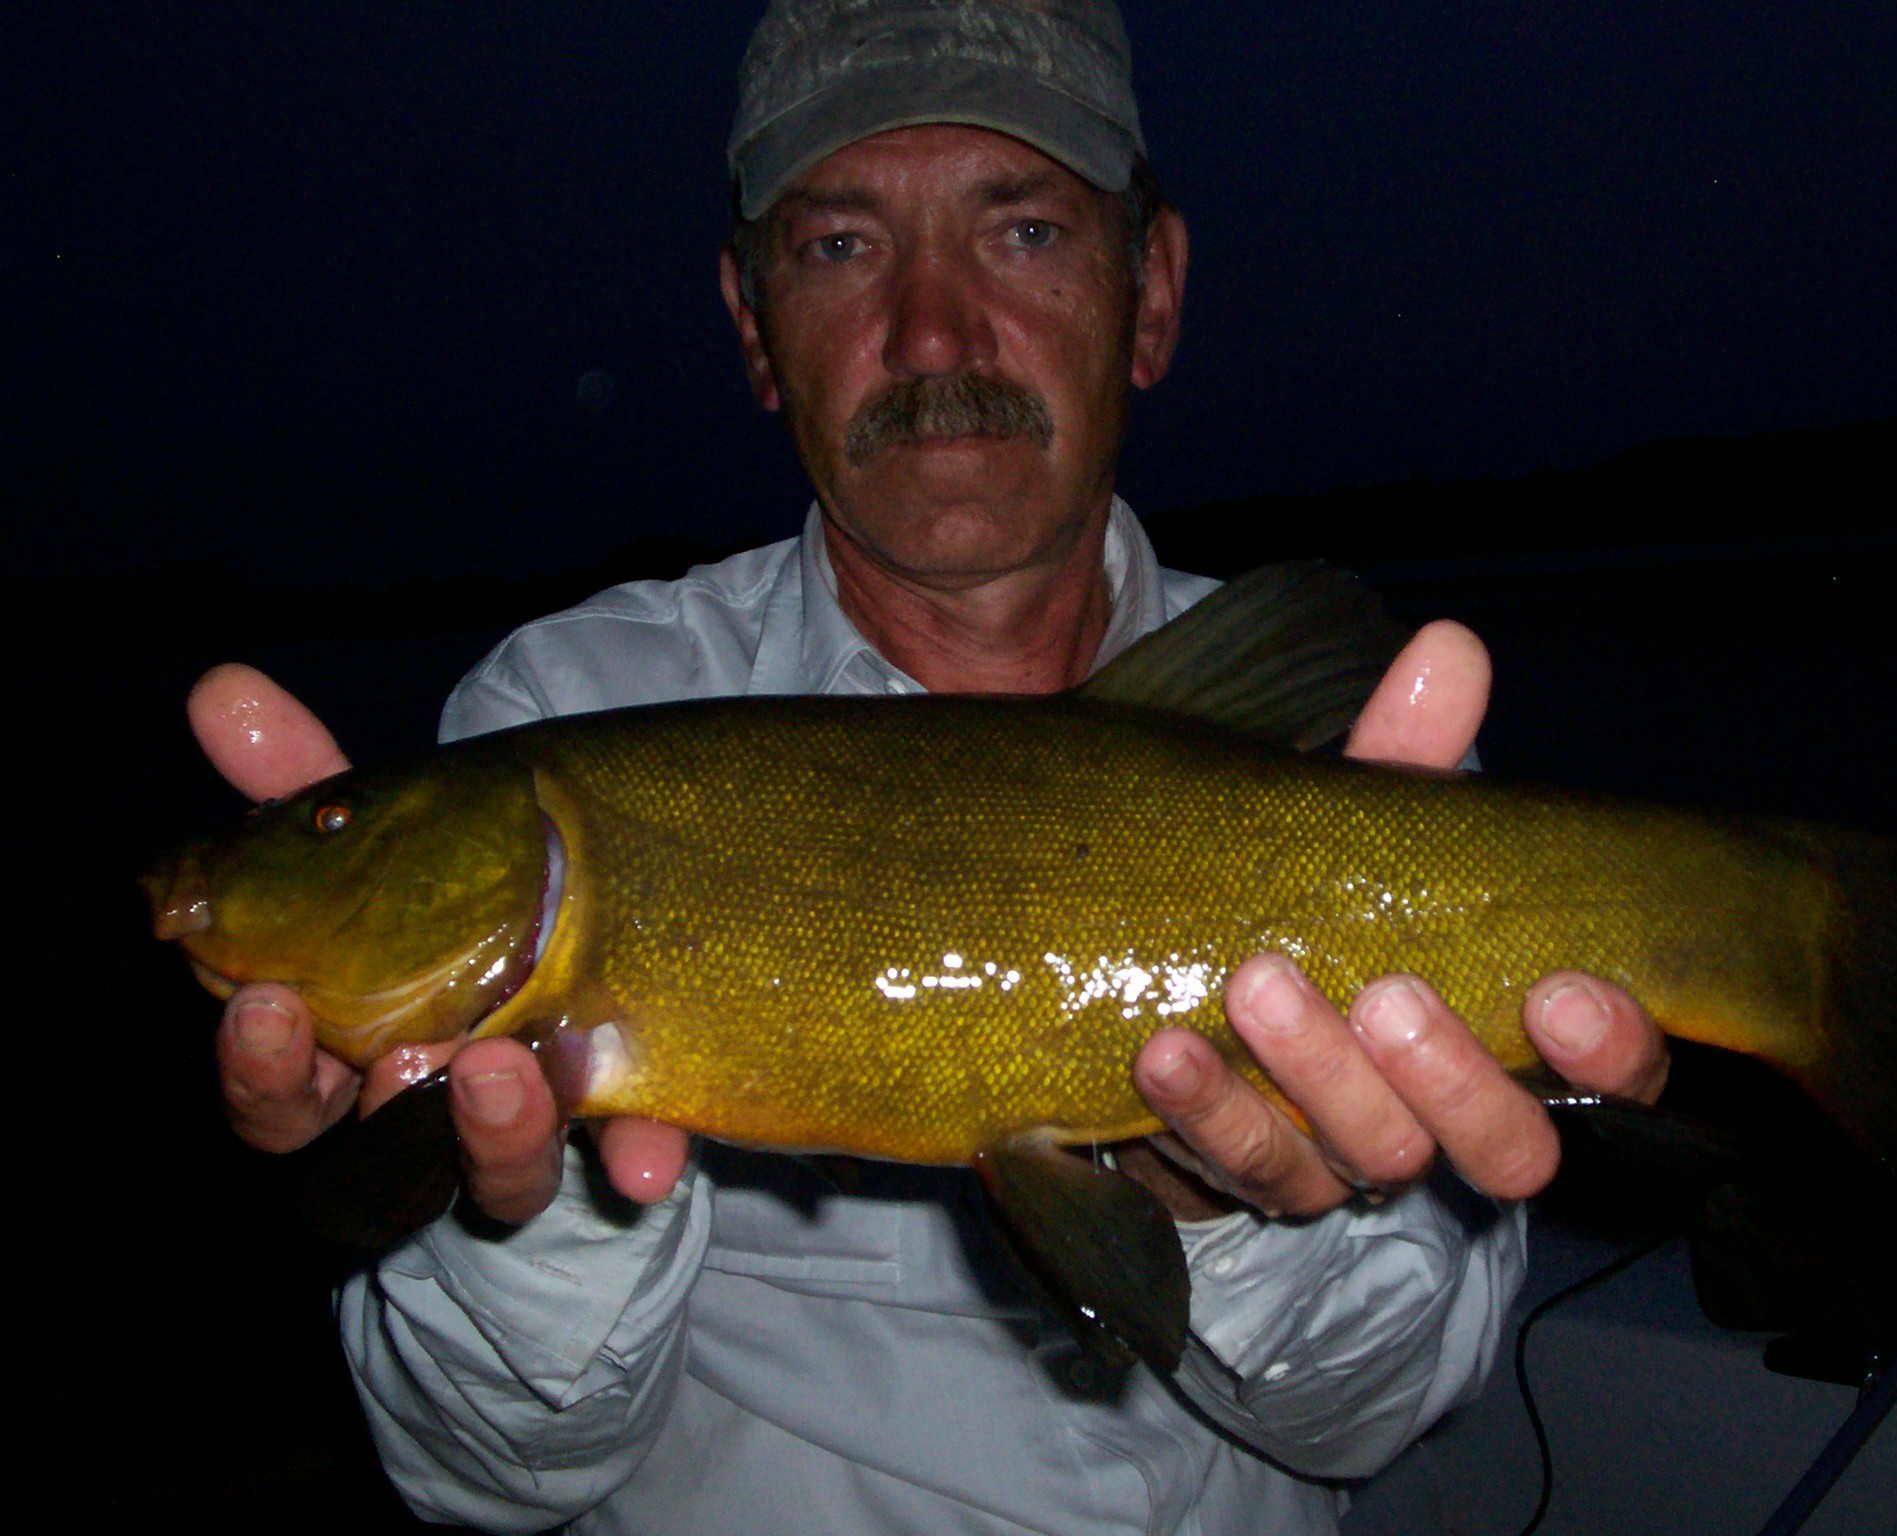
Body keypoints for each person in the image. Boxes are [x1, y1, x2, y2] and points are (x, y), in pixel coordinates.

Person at [201, 3, 1671, 1530]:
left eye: (1023, 232)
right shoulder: (567, 707)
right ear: (753, 325)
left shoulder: (1344, 754)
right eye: (842, 247)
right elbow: (480, 1481)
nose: (932, 334)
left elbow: (1371, 1415)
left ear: (1153, 294)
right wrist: (523, 1185)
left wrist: (1215, 1198)